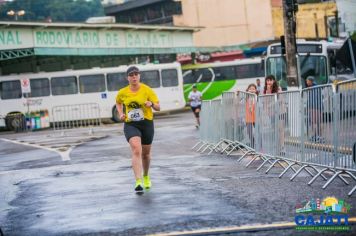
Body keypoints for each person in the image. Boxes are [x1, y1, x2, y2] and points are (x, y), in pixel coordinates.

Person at [116, 65, 160, 193]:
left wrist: (151, 104)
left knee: (145, 154)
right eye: (131, 75)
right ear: (127, 78)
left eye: (136, 74)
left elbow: (158, 107)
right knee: (136, 149)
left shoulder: (147, 90)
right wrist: (120, 113)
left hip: (146, 123)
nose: (134, 77)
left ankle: (146, 176)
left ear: (139, 76)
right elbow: (118, 102)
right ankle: (138, 181)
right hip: (131, 124)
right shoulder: (122, 92)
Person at [305, 76, 324, 143]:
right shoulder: (317, 86)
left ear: (310, 81)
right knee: (320, 122)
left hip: (313, 107)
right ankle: (320, 137)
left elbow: (311, 99)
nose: (306, 82)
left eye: (307, 81)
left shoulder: (312, 88)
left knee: (314, 122)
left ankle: (316, 136)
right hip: (320, 106)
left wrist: (308, 107)